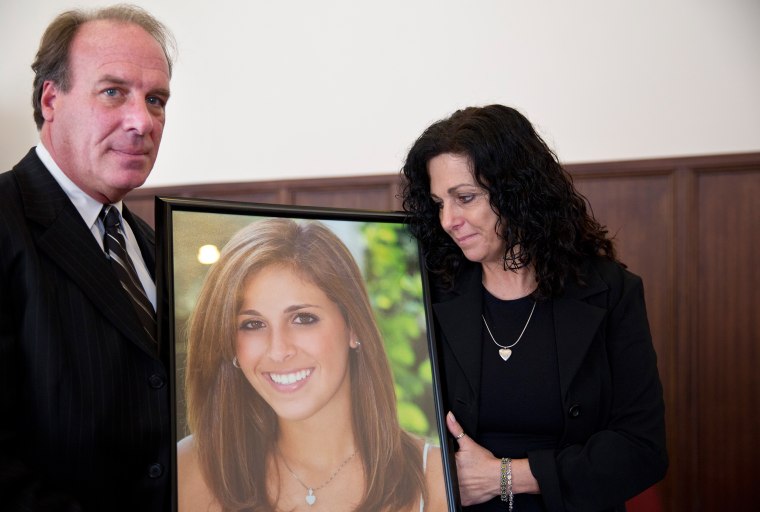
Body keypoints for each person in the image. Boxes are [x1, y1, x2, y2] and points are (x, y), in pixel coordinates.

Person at [400, 104, 668, 512]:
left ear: (517, 193)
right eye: (439, 203)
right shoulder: (428, 292)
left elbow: (642, 449)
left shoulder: (610, 291)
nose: (448, 220)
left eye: (465, 198)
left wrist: (505, 476)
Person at [0, 5, 175, 511]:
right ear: (51, 99)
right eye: (113, 91)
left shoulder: (149, 242)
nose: (142, 121)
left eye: (156, 99)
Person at [178, 218, 447, 512]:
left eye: (303, 318)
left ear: (353, 326)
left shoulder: (435, 478)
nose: (279, 350)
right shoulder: (190, 468)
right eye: (253, 324)